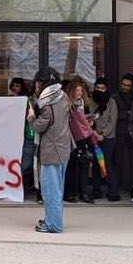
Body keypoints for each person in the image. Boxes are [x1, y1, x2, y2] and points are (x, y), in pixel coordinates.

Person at [30, 68, 71, 234]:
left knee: (50, 189)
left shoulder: (47, 102)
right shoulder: (63, 97)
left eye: (38, 82)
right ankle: (53, 219)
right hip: (64, 147)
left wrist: (32, 117)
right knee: (57, 188)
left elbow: (40, 126)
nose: (36, 85)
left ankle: (53, 224)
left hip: (51, 149)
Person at [65, 79, 99, 204]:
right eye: (77, 90)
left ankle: (84, 192)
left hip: (84, 137)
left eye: (81, 90)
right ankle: (71, 193)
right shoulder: (68, 104)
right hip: (71, 138)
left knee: (84, 165)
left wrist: (89, 121)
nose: (79, 93)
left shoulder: (85, 103)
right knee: (72, 167)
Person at [92, 80, 120, 202]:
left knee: (108, 163)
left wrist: (103, 134)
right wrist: (94, 132)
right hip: (94, 136)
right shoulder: (92, 101)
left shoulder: (111, 102)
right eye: (97, 87)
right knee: (96, 165)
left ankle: (113, 191)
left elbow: (113, 121)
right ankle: (96, 190)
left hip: (108, 137)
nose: (100, 90)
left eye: (102, 88)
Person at [113, 73, 133, 200]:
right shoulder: (115, 97)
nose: (125, 87)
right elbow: (114, 115)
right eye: (123, 84)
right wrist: (128, 114)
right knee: (117, 160)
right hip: (120, 131)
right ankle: (115, 187)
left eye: (128, 85)